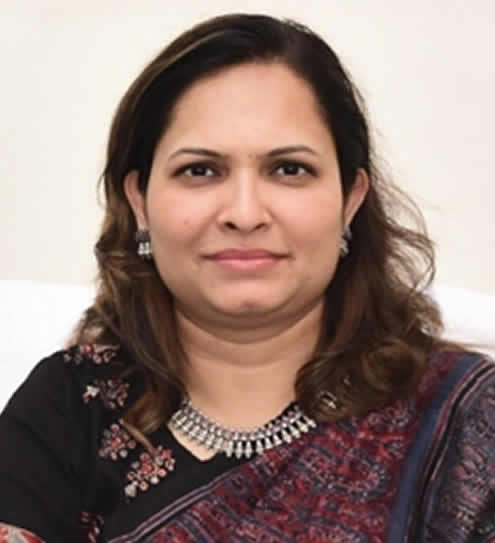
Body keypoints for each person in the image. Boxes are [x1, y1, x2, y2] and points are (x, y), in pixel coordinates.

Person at [0, 12, 494, 543]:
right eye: (200, 170)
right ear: (139, 201)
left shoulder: (463, 421)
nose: (244, 213)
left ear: (350, 201)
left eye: (288, 169)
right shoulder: (68, 409)